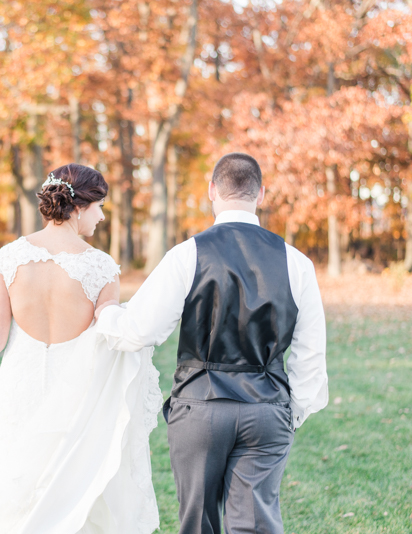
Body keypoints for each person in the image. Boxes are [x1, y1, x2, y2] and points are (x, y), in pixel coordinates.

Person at [95, 153, 328, 534]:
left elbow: (140, 329)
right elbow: (310, 352)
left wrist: (106, 314)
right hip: (267, 407)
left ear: (212, 191)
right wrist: (293, 411)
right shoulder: (296, 262)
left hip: (200, 407)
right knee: (256, 526)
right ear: (261, 193)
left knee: (199, 524)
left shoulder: (187, 255)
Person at [0, 163, 161, 534]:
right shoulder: (101, 267)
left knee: (22, 489)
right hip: (77, 392)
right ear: (79, 207)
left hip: (20, 387)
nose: (101, 215)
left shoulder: (9, 257)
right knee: (76, 491)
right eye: (99, 206)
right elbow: (113, 331)